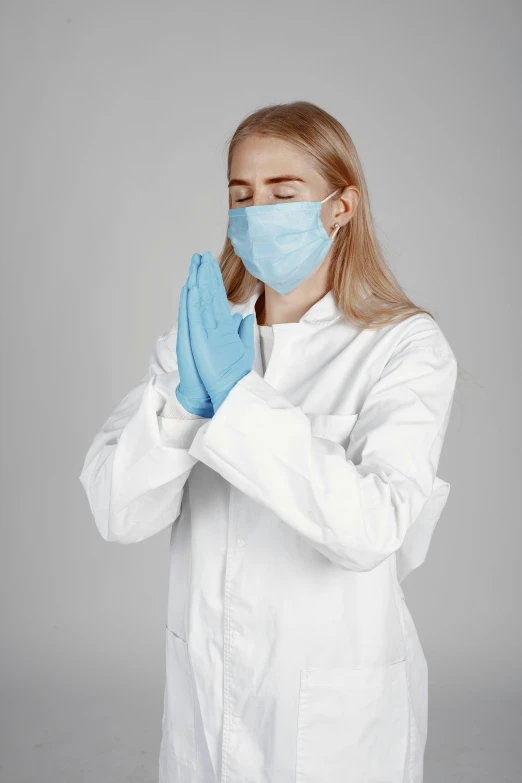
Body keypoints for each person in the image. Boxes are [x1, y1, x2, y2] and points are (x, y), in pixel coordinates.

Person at [79, 100, 458, 783]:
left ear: (340, 206)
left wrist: (238, 401)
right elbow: (118, 511)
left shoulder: (403, 346)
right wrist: (184, 407)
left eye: (283, 194)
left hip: (332, 718)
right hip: (207, 702)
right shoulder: (199, 342)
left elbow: (373, 528)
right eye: (241, 196)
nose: (257, 215)